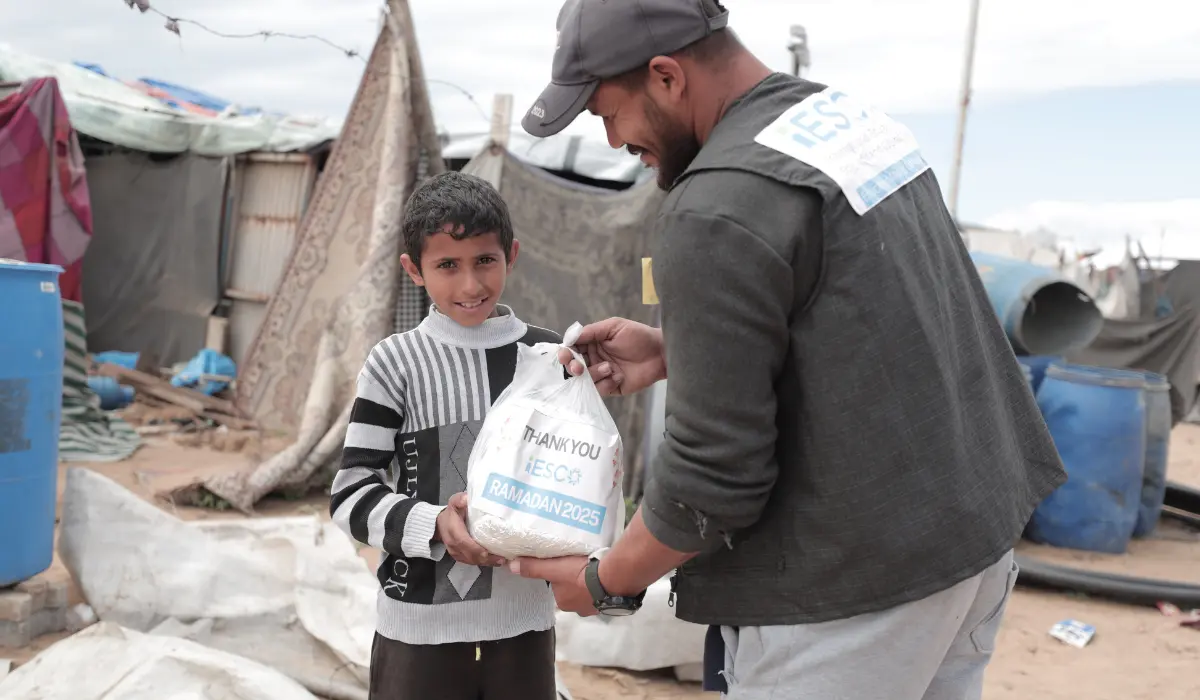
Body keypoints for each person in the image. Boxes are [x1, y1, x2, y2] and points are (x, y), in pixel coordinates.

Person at [509, 1, 1068, 698]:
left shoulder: (716, 203)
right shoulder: (848, 127)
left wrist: (605, 580)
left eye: (605, 111)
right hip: (966, 548)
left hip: (846, 600)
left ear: (664, 76)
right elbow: (883, 325)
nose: (615, 139)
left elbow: (714, 477)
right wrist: (679, 350)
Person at [329, 171, 560, 700]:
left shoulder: (546, 357)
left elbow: (572, 476)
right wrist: (435, 523)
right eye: (447, 266)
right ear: (414, 269)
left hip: (521, 621)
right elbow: (351, 495)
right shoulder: (395, 362)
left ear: (512, 254)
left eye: (485, 260)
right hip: (419, 628)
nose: (471, 285)